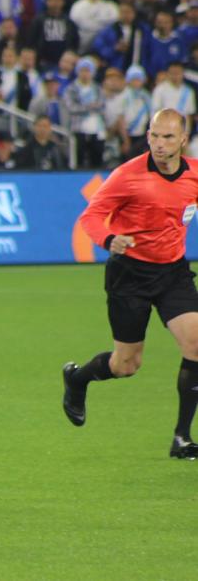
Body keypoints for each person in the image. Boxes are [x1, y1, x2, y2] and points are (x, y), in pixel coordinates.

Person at [63, 109, 198, 460]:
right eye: (154, 135)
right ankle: (78, 379)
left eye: (168, 137)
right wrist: (110, 240)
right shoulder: (128, 175)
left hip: (172, 272)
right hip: (130, 274)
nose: (159, 143)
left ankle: (182, 438)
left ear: (183, 140)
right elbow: (90, 216)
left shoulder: (194, 174)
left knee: (196, 343)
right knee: (126, 365)